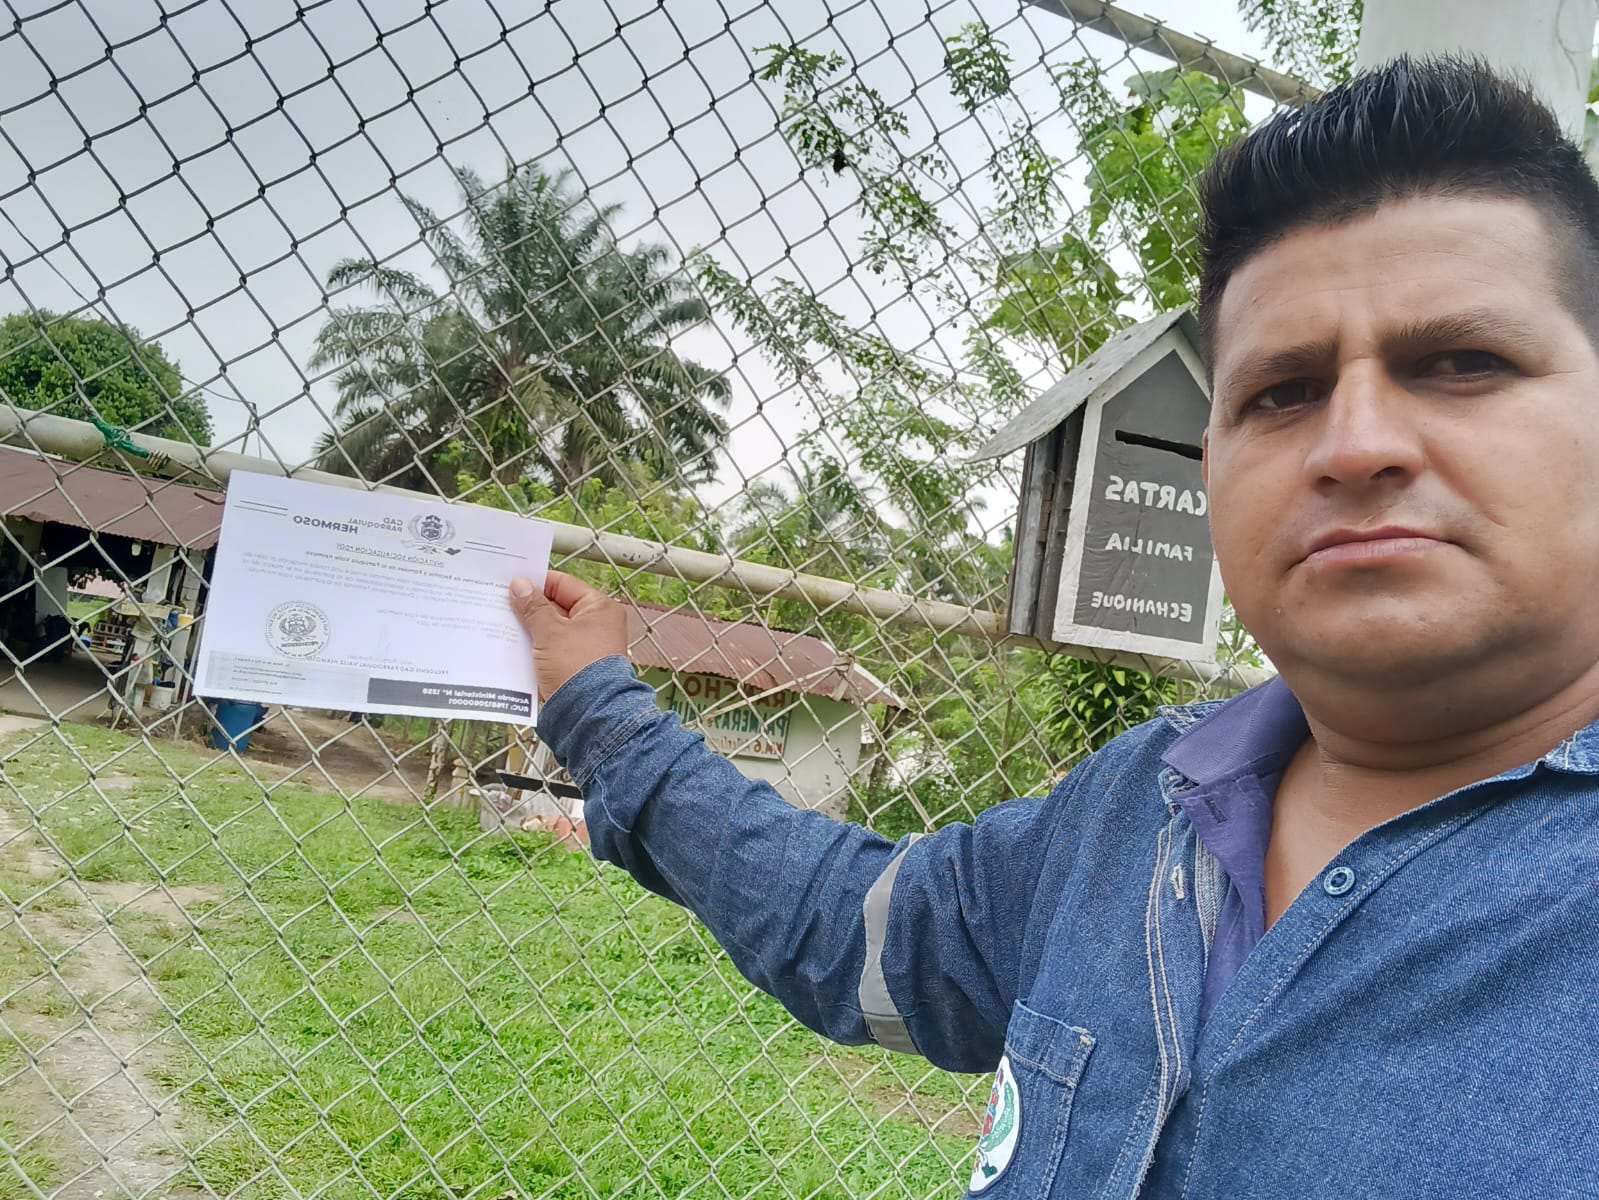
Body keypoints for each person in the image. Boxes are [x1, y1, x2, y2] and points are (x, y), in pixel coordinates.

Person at [506, 57, 1599, 1198]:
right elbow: (851, 931)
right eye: (1281, 392)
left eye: (1463, 363)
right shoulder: (1139, 805)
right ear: (1214, 464)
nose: (1355, 443)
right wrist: (600, 710)